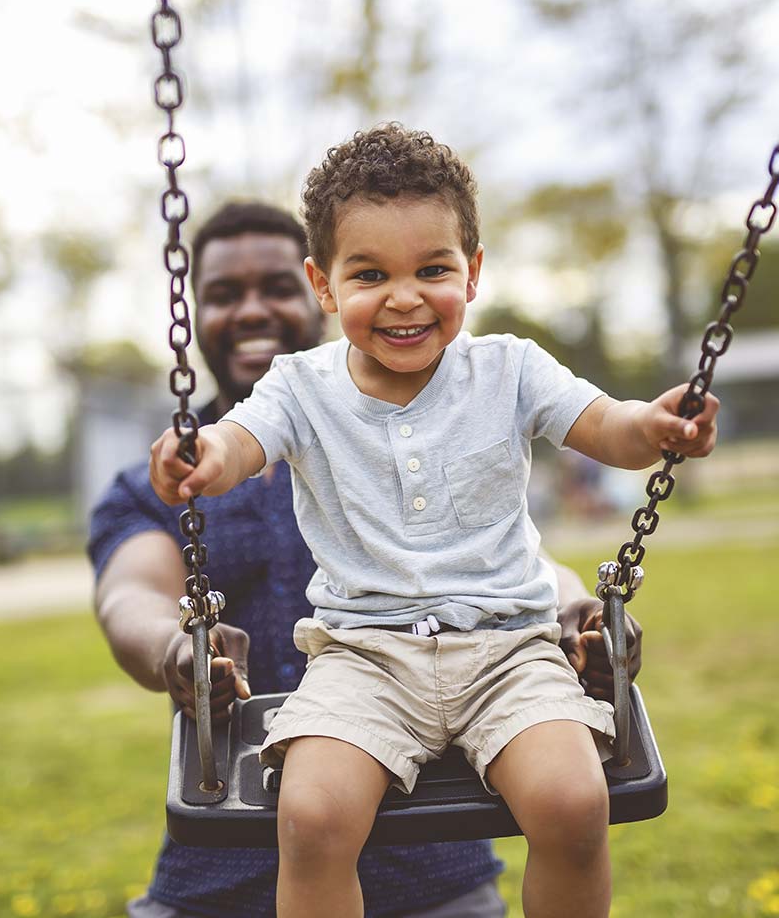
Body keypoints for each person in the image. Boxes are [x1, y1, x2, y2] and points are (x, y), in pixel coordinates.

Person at [150, 127, 717, 918]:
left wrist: (653, 427)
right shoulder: (298, 385)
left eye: (434, 269)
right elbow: (240, 442)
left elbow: (606, 428)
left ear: (473, 272)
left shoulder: (511, 368)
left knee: (572, 800)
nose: (405, 296)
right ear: (324, 284)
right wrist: (201, 454)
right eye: (371, 273)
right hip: (363, 658)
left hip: (511, 650)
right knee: (311, 817)